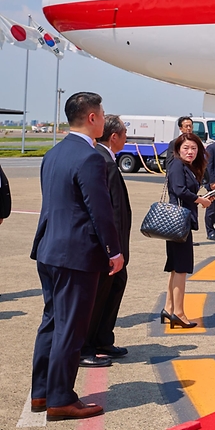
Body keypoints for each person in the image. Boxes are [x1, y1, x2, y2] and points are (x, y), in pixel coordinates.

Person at [30, 92, 123, 421]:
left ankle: (41, 393)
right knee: (70, 328)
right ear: (93, 118)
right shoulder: (91, 157)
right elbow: (100, 210)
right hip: (76, 255)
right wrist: (114, 251)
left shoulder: (53, 153)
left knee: (52, 323)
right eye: (102, 112)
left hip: (49, 249)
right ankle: (61, 399)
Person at [82, 115, 132, 364]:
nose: (126, 138)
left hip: (113, 245)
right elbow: (111, 212)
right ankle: (88, 345)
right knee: (100, 294)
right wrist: (116, 250)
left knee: (114, 289)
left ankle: (103, 338)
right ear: (114, 137)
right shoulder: (105, 163)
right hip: (110, 247)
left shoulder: (105, 159)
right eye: (124, 134)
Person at [162, 133, 211, 329]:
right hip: (178, 221)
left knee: (175, 268)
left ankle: (169, 307)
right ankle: (179, 313)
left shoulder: (184, 166)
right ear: (178, 149)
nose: (190, 152)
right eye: (186, 148)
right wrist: (200, 199)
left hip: (181, 221)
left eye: (194, 148)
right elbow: (180, 190)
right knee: (181, 268)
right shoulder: (176, 165)